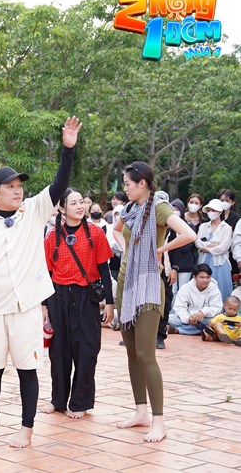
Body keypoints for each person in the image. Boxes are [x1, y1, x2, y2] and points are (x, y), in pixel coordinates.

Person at [0, 116, 81, 448]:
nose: (17, 190)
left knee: (27, 370)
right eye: (10, 187)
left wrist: (68, 149)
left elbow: (59, 184)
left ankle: (26, 428)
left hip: (26, 309)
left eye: (19, 185)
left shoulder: (34, 212)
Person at [112, 162, 196, 443]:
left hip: (148, 286)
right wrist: (127, 250)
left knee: (146, 353)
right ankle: (141, 413)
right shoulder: (130, 209)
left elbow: (189, 234)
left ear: (142, 183)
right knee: (131, 352)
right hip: (125, 283)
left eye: (128, 183)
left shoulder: (159, 208)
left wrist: (159, 249)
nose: (125, 188)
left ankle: (159, 421)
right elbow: (116, 231)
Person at [40, 188, 114, 419]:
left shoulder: (96, 233)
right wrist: (44, 306)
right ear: (62, 209)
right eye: (73, 203)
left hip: (86, 296)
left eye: (81, 202)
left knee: (87, 349)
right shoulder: (52, 236)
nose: (80, 206)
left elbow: (104, 269)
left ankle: (80, 402)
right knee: (59, 350)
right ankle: (58, 400)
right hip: (58, 296)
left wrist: (110, 302)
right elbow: (45, 273)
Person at [167, 263, 222, 336]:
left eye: (208, 277)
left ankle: (179, 330)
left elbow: (216, 307)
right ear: (195, 277)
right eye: (202, 277)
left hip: (205, 318)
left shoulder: (214, 289)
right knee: (169, 319)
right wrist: (188, 318)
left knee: (216, 321)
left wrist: (203, 312)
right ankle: (202, 330)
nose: (205, 280)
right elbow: (179, 307)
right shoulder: (186, 288)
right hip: (188, 317)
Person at [195, 199, 233, 301]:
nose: (211, 212)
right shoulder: (203, 226)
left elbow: (223, 247)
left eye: (213, 210)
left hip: (220, 263)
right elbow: (197, 242)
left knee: (221, 289)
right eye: (209, 210)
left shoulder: (226, 228)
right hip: (203, 261)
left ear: (220, 212)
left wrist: (206, 247)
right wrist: (212, 245)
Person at [167, 199, 196, 294]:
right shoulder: (167, 227)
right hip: (169, 264)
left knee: (183, 290)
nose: (174, 211)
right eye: (172, 209)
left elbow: (187, 246)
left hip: (185, 264)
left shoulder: (189, 226)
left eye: (177, 209)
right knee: (172, 290)